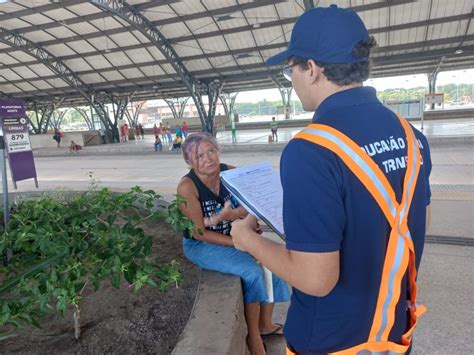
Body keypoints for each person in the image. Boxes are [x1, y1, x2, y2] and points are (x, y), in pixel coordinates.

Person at [230, 5, 432, 355]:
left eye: (290, 68)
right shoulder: (411, 136)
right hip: (394, 333)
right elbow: (415, 227)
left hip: (331, 341)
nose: (292, 79)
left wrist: (247, 240)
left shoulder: (311, 150)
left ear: (311, 69)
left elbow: (315, 279)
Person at [177, 133, 290, 355]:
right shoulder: (187, 187)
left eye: (211, 151)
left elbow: (253, 206)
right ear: (189, 161)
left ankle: (265, 324)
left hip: (238, 236)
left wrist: (238, 220)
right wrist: (240, 243)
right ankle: (253, 337)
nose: (208, 158)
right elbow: (199, 232)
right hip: (202, 245)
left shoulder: (231, 173)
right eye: (199, 155)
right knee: (251, 271)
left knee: (273, 263)